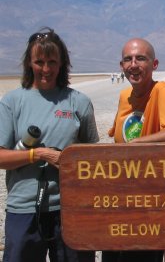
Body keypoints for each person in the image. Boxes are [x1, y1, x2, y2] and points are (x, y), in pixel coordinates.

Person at [0, 28, 99, 262]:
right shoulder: (13, 101)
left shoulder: (78, 102)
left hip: (70, 209)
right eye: (39, 62)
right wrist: (40, 154)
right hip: (23, 210)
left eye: (52, 61)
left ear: (62, 63)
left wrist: (69, 162)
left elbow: (93, 158)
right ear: (29, 63)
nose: (46, 69)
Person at [104, 38, 165, 262]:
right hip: (122, 200)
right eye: (128, 59)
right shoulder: (125, 96)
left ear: (154, 65)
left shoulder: (161, 90)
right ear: (121, 66)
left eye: (140, 58)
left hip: (150, 203)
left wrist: (138, 145)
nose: (133, 64)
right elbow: (117, 136)